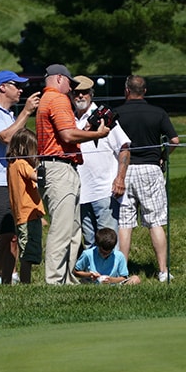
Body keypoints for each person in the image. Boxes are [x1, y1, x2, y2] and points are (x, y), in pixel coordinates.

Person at [36, 64, 109, 285]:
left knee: (73, 229)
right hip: (59, 168)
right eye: (70, 83)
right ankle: (55, 280)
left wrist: (87, 129)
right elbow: (67, 135)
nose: (71, 89)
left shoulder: (46, 100)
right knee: (62, 229)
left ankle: (67, 278)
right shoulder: (57, 99)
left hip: (58, 167)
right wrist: (97, 133)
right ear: (59, 79)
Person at [0, 70, 40, 285]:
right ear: (2, 87)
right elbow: (6, 137)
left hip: (11, 181)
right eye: (17, 85)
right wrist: (26, 113)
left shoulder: (8, 114)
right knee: (1, 236)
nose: (21, 89)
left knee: (12, 235)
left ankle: (6, 281)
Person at [116, 75, 179, 282]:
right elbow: (174, 140)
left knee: (125, 223)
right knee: (155, 221)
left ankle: (122, 271)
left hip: (125, 169)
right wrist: (163, 156)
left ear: (127, 90)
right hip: (151, 169)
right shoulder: (157, 112)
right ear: (145, 91)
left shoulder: (118, 113)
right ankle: (162, 270)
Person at [72, 75, 131, 249]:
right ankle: (93, 275)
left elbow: (124, 147)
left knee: (108, 241)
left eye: (84, 92)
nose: (80, 96)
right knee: (89, 241)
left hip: (104, 190)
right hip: (81, 191)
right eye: (76, 93)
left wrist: (120, 178)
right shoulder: (70, 119)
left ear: (91, 94)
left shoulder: (104, 117)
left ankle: (113, 275)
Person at [6, 128, 44, 284]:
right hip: (29, 214)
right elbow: (37, 177)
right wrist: (41, 167)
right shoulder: (22, 163)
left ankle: (24, 281)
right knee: (28, 252)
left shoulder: (12, 165)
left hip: (20, 214)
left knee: (25, 249)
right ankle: (25, 282)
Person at [73, 228, 140, 285]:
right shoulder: (88, 254)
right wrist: (89, 275)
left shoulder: (119, 256)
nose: (105, 255)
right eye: (102, 252)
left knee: (136, 279)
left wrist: (111, 280)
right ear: (97, 245)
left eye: (108, 253)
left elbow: (124, 277)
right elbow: (76, 272)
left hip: (112, 283)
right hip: (91, 282)